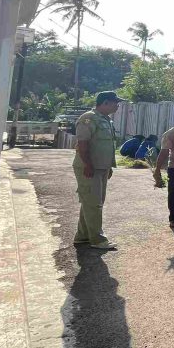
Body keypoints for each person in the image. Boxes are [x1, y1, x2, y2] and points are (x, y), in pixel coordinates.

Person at [72, 91, 122, 250]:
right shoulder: (89, 118)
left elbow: (106, 146)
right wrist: (87, 164)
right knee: (93, 203)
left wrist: (109, 167)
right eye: (116, 102)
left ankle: (83, 236)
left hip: (101, 168)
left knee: (91, 202)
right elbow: (83, 144)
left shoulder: (107, 120)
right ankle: (97, 239)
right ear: (106, 102)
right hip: (89, 168)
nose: (118, 105)